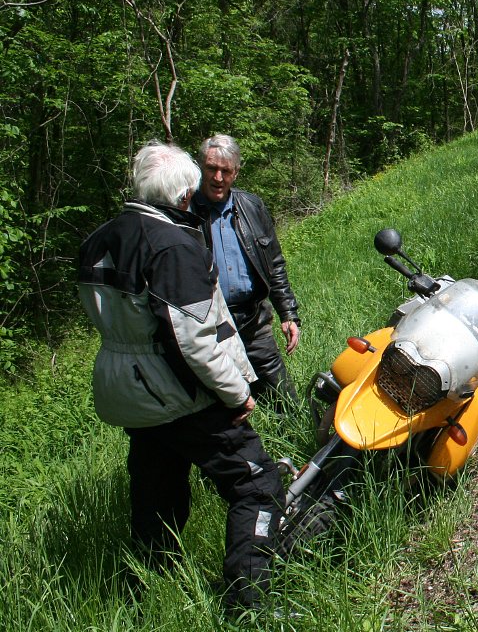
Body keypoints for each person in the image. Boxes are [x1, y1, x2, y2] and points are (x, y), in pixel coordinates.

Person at [77, 141, 284, 612]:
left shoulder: (100, 239)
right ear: (184, 193)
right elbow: (191, 341)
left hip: (131, 393)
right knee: (257, 487)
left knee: (156, 495)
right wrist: (237, 395)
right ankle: (248, 604)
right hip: (181, 393)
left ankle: (146, 596)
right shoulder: (171, 245)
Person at [193, 134, 301, 414]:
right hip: (209, 325)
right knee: (222, 406)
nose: (218, 177)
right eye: (211, 169)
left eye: (226, 171)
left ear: (236, 172)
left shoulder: (251, 207)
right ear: (200, 167)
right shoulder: (185, 211)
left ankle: (307, 445)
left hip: (254, 320)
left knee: (285, 399)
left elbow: (274, 263)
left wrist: (288, 314)